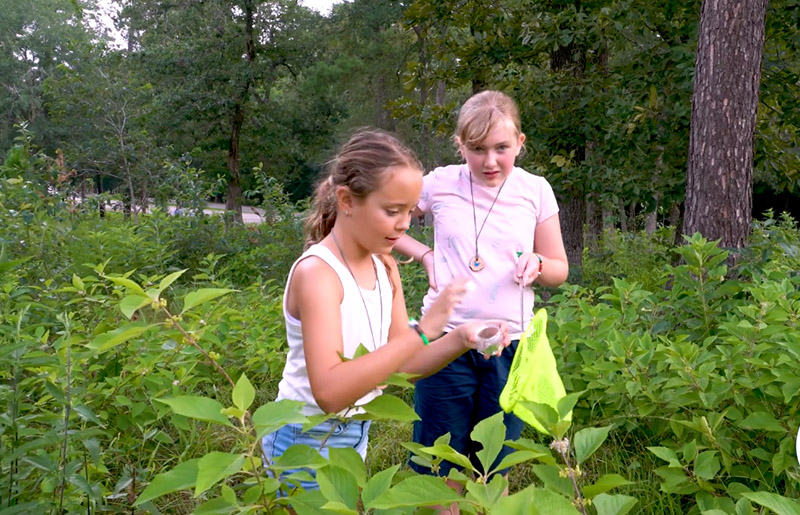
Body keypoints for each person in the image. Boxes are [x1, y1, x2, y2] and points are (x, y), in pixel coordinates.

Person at [260, 129, 510, 494]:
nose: (405, 223)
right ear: (346, 199)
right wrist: (422, 331)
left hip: (353, 432)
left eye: (410, 211)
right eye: (392, 211)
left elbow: (402, 365)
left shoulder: (385, 266)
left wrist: (460, 337)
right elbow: (329, 392)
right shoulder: (319, 275)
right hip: (304, 435)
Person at [394, 90, 569, 502]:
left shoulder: (536, 190)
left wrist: (540, 265)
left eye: (501, 148)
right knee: (442, 457)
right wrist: (424, 254)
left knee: (494, 459)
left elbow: (559, 268)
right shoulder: (438, 183)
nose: (490, 162)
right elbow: (381, 216)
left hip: (509, 346)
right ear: (461, 145)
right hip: (444, 344)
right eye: (477, 150)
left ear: (520, 143)